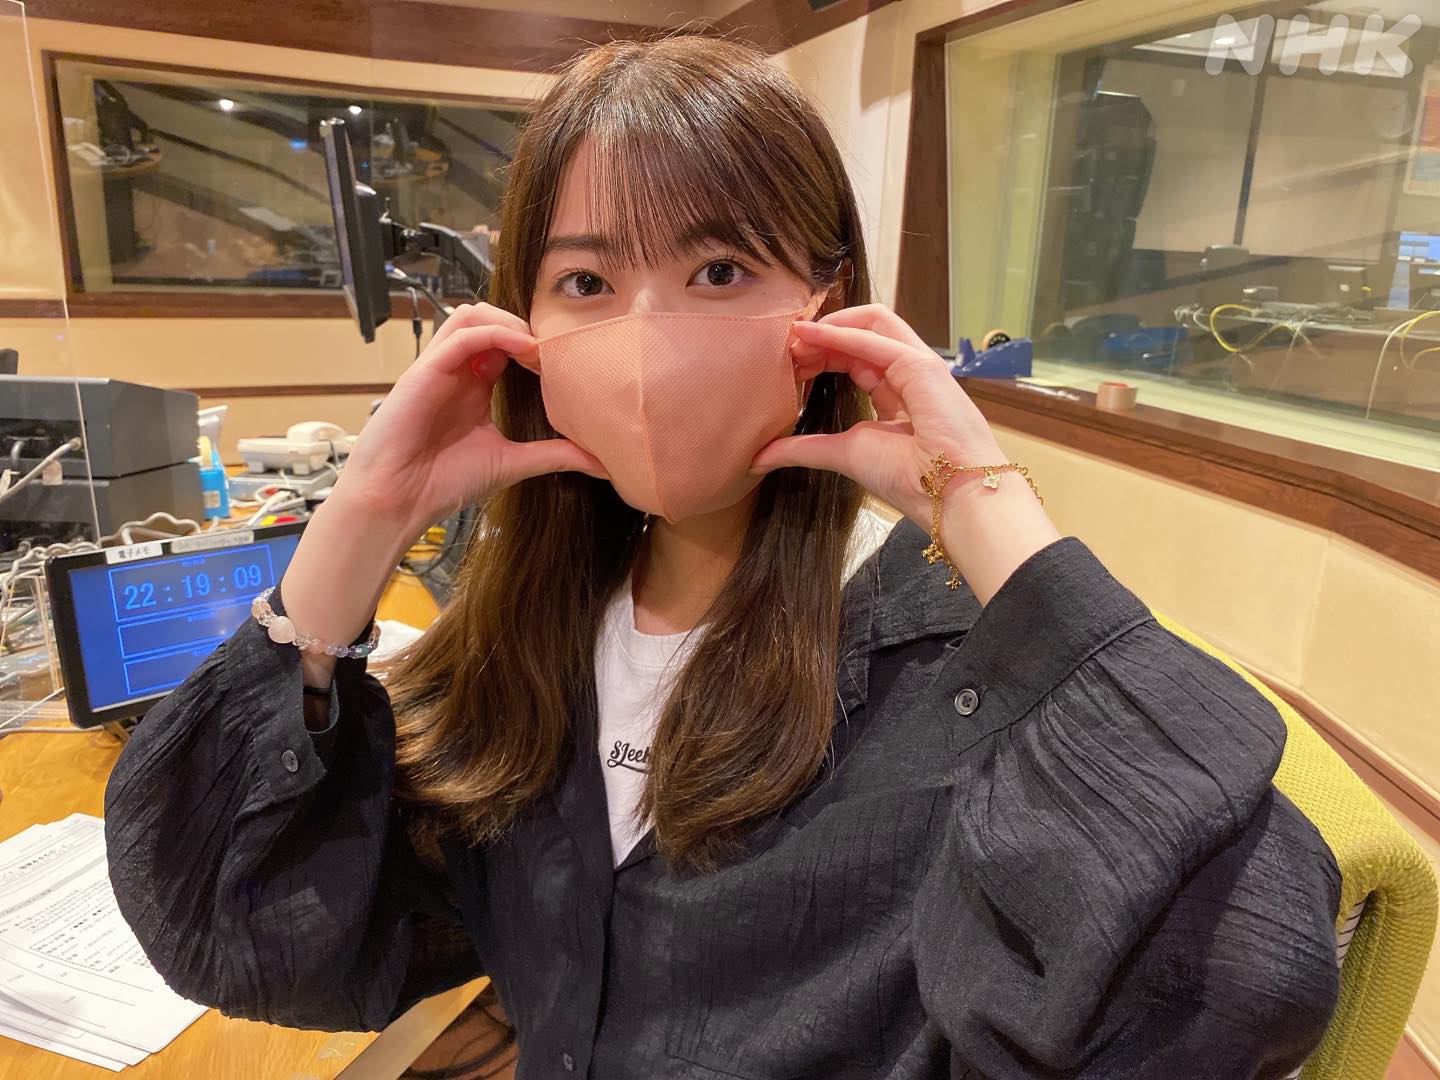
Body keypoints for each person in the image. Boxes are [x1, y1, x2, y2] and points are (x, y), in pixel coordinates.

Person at [104, 33, 1341, 1079]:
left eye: (719, 270)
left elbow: (1247, 975)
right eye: (586, 279)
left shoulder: (953, 669)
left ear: (828, 304)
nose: (648, 338)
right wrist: (365, 517)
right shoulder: (536, 627)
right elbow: (228, 926)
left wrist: (983, 505)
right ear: (522, 326)